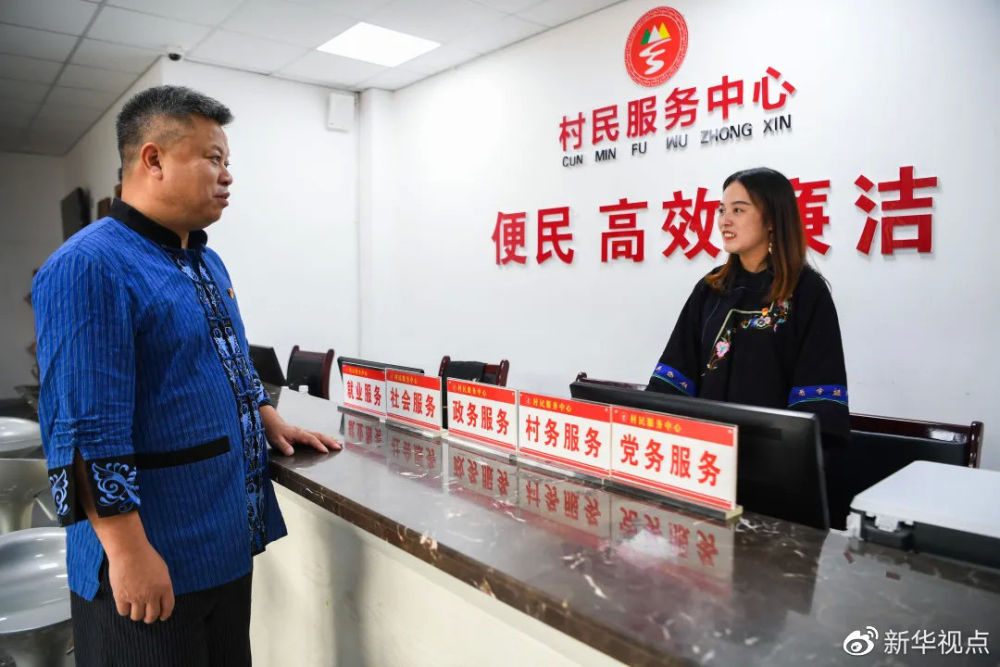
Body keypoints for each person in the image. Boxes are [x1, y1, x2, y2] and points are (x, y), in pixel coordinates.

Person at [32, 85, 341, 666]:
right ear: (153, 159)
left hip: (220, 541)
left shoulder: (204, 260)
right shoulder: (88, 265)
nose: (227, 176)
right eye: (213, 158)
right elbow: (82, 428)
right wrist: (128, 553)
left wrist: (265, 415)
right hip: (150, 553)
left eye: (228, 161)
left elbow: (229, 358)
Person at [646, 167, 849, 450]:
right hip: (707, 455)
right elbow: (673, 378)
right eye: (722, 210)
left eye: (738, 210)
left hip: (773, 460)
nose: (724, 221)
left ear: (772, 219)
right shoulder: (711, 288)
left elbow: (817, 408)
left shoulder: (806, 292)